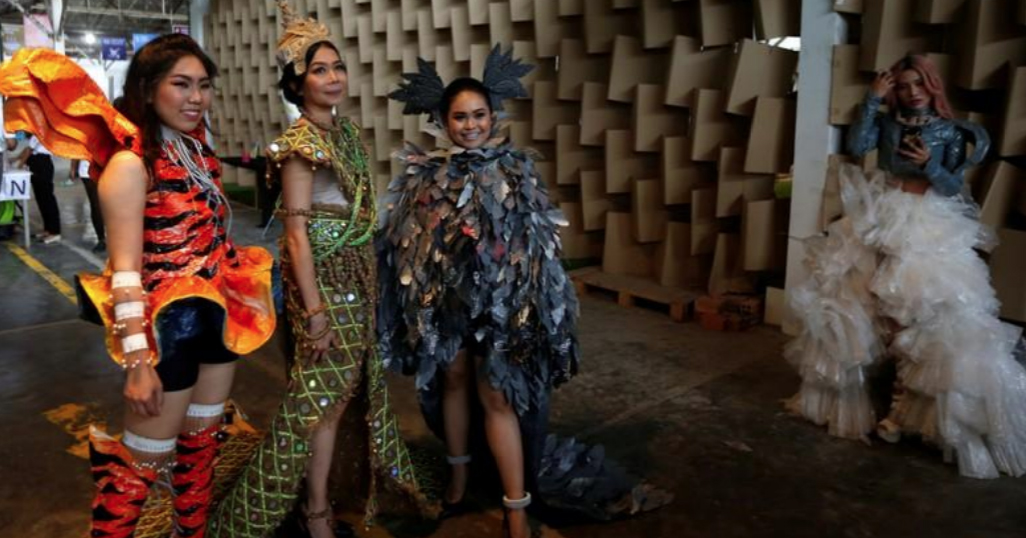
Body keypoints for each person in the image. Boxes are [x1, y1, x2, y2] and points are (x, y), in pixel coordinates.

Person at [379, 46, 669, 538]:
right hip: (447, 307)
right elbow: (407, 245)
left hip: (501, 309)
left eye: (478, 115)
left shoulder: (515, 170)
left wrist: (529, 310)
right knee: (451, 381)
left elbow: (537, 247)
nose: (470, 126)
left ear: (493, 116)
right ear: (442, 121)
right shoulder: (424, 176)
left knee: (497, 395)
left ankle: (516, 504)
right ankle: (459, 474)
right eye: (460, 117)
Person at [0, 35, 276, 536]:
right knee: (139, 469)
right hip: (166, 331)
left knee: (201, 450)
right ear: (148, 91)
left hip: (217, 318)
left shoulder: (198, 152)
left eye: (204, 86)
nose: (196, 98)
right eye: (181, 85)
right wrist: (138, 365)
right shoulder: (130, 165)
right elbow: (125, 271)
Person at [209, 4, 435, 537]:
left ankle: (329, 498)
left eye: (336, 67)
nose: (333, 78)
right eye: (319, 70)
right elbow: (294, 234)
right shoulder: (300, 148)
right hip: (324, 289)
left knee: (342, 400)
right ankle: (313, 513)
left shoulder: (346, 134)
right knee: (316, 406)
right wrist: (313, 312)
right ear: (296, 82)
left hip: (357, 281)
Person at [785, 54, 1026, 478]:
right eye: (903, 85)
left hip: (926, 224)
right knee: (863, 310)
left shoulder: (952, 131)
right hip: (879, 216)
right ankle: (865, 401)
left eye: (919, 84)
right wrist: (872, 101)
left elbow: (952, 185)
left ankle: (901, 412)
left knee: (920, 319)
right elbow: (858, 147)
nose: (912, 92)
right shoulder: (887, 120)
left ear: (932, 86)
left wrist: (930, 165)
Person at [11, 132, 60, 243]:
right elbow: (27, 149)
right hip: (36, 164)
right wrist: (15, 159)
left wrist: (19, 166)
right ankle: (47, 229)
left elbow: (29, 151)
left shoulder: (41, 132)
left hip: (43, 164)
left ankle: (55, 231)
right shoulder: (34, 136)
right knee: (40, 199)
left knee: (47, 199)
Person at [71, 158, 106, 252]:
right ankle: (102, 239)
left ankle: (104, 239)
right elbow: (76, 150)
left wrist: (73, 168)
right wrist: (73, 168)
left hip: (107, 167)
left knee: (98, 204)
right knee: (96, 204)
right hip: (89, 169)